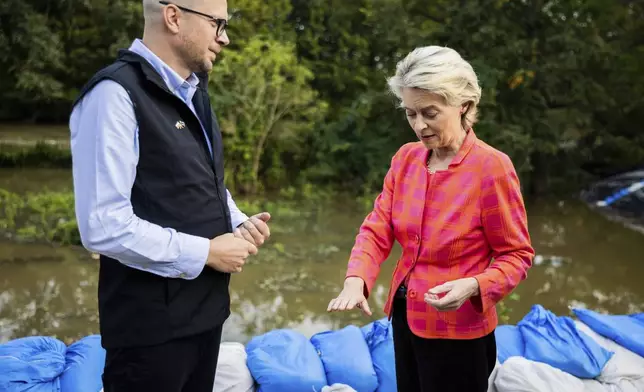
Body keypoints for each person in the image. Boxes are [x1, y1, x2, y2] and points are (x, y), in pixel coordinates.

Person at [69, 0, 270, 391]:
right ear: (174, 17)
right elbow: (102, 225)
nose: (224, 38)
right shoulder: (114, 94)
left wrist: (237, 219)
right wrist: (208, 252)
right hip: (151, 334)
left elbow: (201, 178)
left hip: (206, 316)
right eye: (217, 24)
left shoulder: (195, 92)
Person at [327, 46, 535, 392]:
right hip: (406, 319)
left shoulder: (491, 168)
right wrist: (356, 279)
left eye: (430, 113)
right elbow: (377, 228)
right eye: (410, 114)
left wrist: (474, 286)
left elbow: (517, 255)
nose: (419, 125)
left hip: (459, 332)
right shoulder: (406, 159)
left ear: (464, 106)